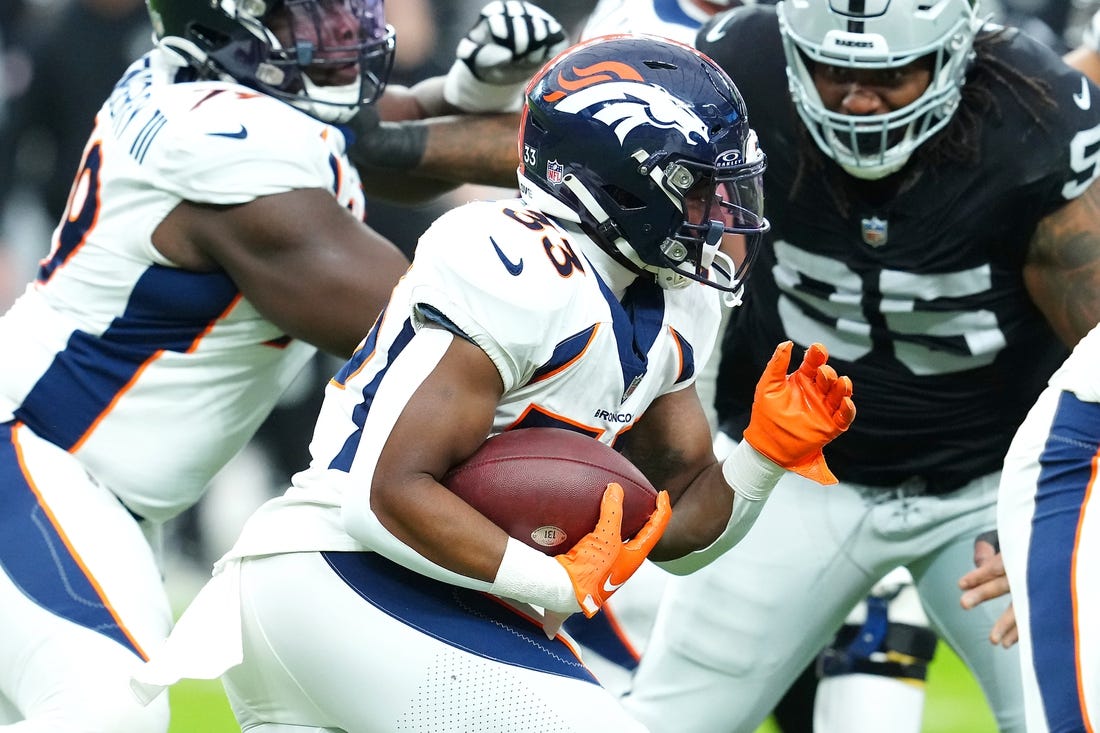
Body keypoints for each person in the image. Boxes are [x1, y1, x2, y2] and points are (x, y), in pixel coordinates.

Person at [129, 33, 856, 732]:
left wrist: (764, 454)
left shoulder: (678, 302)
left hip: (423, 594)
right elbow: (383, 498)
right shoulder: (514, 261)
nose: (719, 215)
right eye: (696, 189)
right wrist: (552, 582)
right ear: (618, 184)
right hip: (337, 572)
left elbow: (676, 528)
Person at [0, 0, 571, 729]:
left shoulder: (214, 88)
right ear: (223, 24)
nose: (343, 34)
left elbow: (388, 128)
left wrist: (474, 91)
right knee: (110, 712)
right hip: (35, 460)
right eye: (308, 16)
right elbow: (422, 327)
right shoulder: (232, 153)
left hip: (71, 473)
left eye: (347, 10)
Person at [619, 1, 1100, 732]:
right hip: (798, 473)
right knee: (666, 721)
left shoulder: (1031, 117)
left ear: (953, 55)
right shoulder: (743, 70)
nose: (857, 97)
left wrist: (1074, 520)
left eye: (888, 72)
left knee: (1065, 716)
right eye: (833, 68)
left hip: (988, 492)